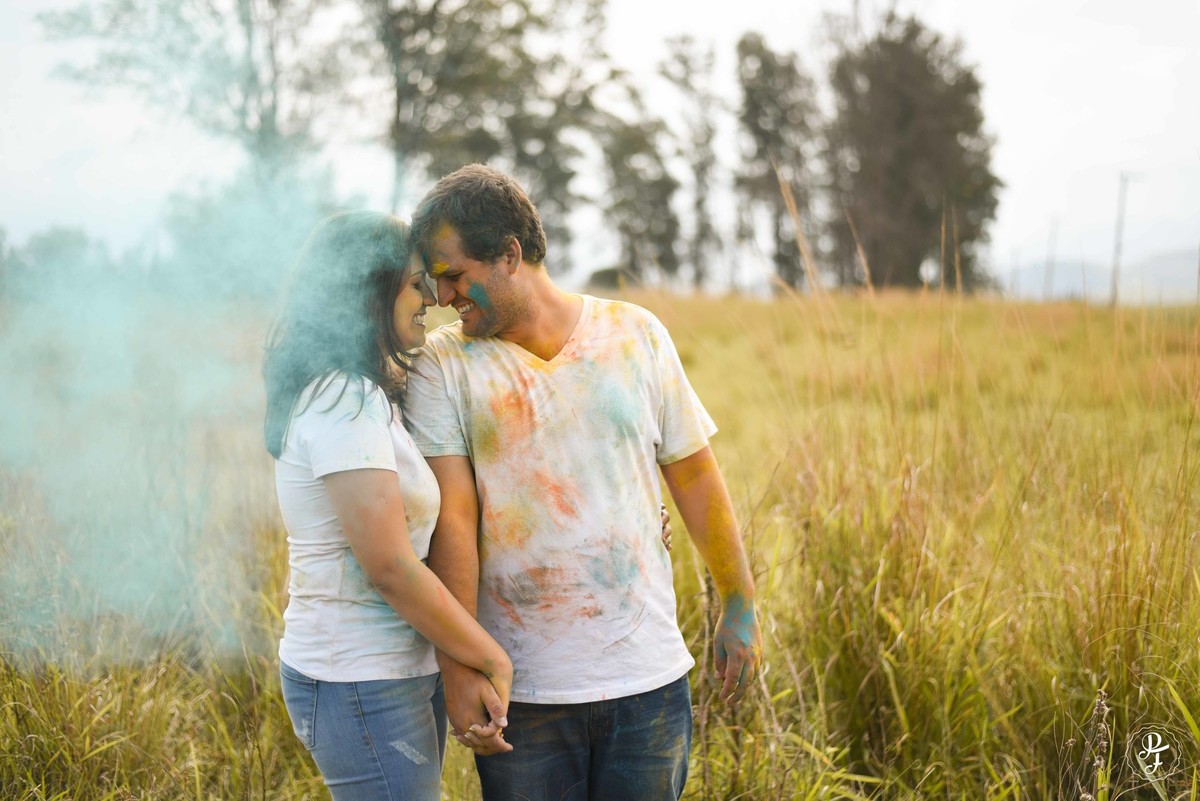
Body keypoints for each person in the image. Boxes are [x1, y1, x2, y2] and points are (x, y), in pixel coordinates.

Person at [403, 164, 763, 801]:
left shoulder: (636, 335)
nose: (444, 297)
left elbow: (697, 478)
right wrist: (459, 666)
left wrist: (739, 603)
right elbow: (452, 521)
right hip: (524, 693)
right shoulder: (444, 363)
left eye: (455, 275)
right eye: (436, 281)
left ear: (510, 254)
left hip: (648, 681)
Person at [262, 211, 513, 801]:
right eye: (417, 283)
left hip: (384, 674)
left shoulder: (364, 392)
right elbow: (390, 567)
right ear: (369, 288)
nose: (432, 298)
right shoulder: (341, 399)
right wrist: (488, 656)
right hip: (356, 677)